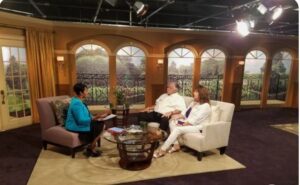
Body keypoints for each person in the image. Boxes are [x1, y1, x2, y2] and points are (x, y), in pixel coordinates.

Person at [153, 85, 212, 158]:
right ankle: (176, 144)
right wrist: (176, 117)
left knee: (177, 129)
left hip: (198, 127)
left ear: (201, 94)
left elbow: (193, 122)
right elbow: (185, 113)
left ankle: (162, 149)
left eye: (196, 92)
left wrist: (181, 123)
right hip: (188, 122)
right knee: (172, 121)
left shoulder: (205, 107)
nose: (194, 93)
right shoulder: (194, 103)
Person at [65, 83, 110, 157]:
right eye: (86, 90)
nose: (87, 92)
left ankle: (91, 147)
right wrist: (95, 118)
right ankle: (91, 147)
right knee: (101, 125)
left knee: (101, 123)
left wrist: (99, 116)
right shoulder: (76, 104)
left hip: (79, 123)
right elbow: (81, 120)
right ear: (80, 92)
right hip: (75, 126)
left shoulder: (79, 101)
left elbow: (87, 115)